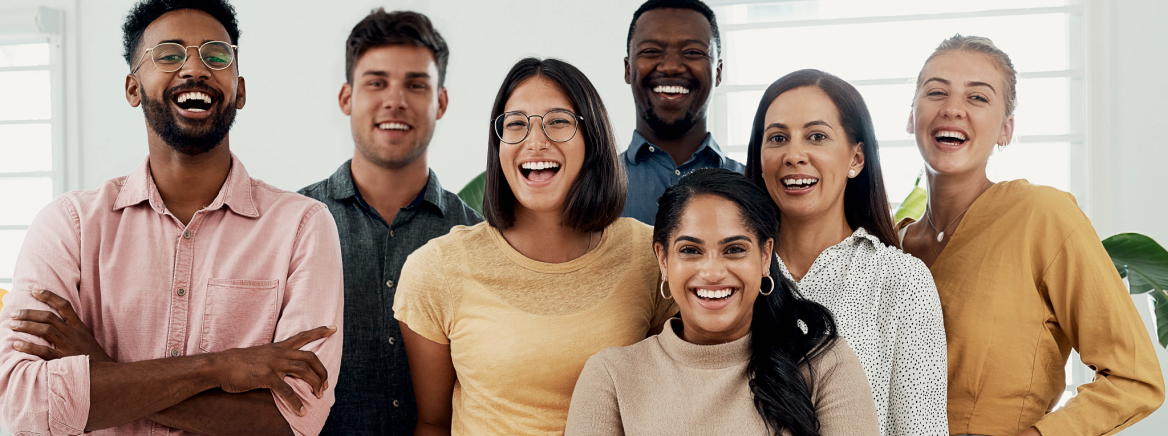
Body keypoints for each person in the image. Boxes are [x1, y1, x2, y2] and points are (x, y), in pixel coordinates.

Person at [0, 1, 343, 435]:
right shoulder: (68, 225)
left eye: (216, 55)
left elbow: (294, 418)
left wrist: (105, 371)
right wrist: (219, 368)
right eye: (169, 55)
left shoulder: (303, 227)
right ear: (132, 88)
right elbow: (24, 404)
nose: (194, 69)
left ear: (239, 88)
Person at [898, 34, 1164, 436]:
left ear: (1006, 130)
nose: (952, 109)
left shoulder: (1042, 216)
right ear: (911, 115)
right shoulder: (885, 244)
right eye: (936, 92)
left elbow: (1135, 378)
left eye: (978, 98)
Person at [394, 57, 676, 436]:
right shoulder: (437, 268)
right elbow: (432, 423)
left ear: (591, 139)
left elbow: (678, 395)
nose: (535, 141)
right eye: (515, 124)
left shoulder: (650, 255)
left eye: (558, 121)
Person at [564, 168, 879, 436]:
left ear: (765, 255)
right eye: (690, 250)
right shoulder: (611, 376)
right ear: (663, 259)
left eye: (734, 250)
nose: (712, 272)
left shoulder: (825, 363)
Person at [298, 9, 481, 435]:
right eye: (376, 82)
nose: (395, 100)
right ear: (347, 98)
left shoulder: (476, 237)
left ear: (441, 101)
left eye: (416, 85)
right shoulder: (293, 227)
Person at [744, 69, 948, 435]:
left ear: (856, 158)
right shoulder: (728, 273)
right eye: (777, 138)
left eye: (816, 136)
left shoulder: (902, 281)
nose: (793, 154)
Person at [620, 0, 745, 225]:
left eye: (693, 52)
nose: (671, 66)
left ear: (718, 72)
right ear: (628, 69)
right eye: (651, 51)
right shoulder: (590, 186)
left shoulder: (754, 185)